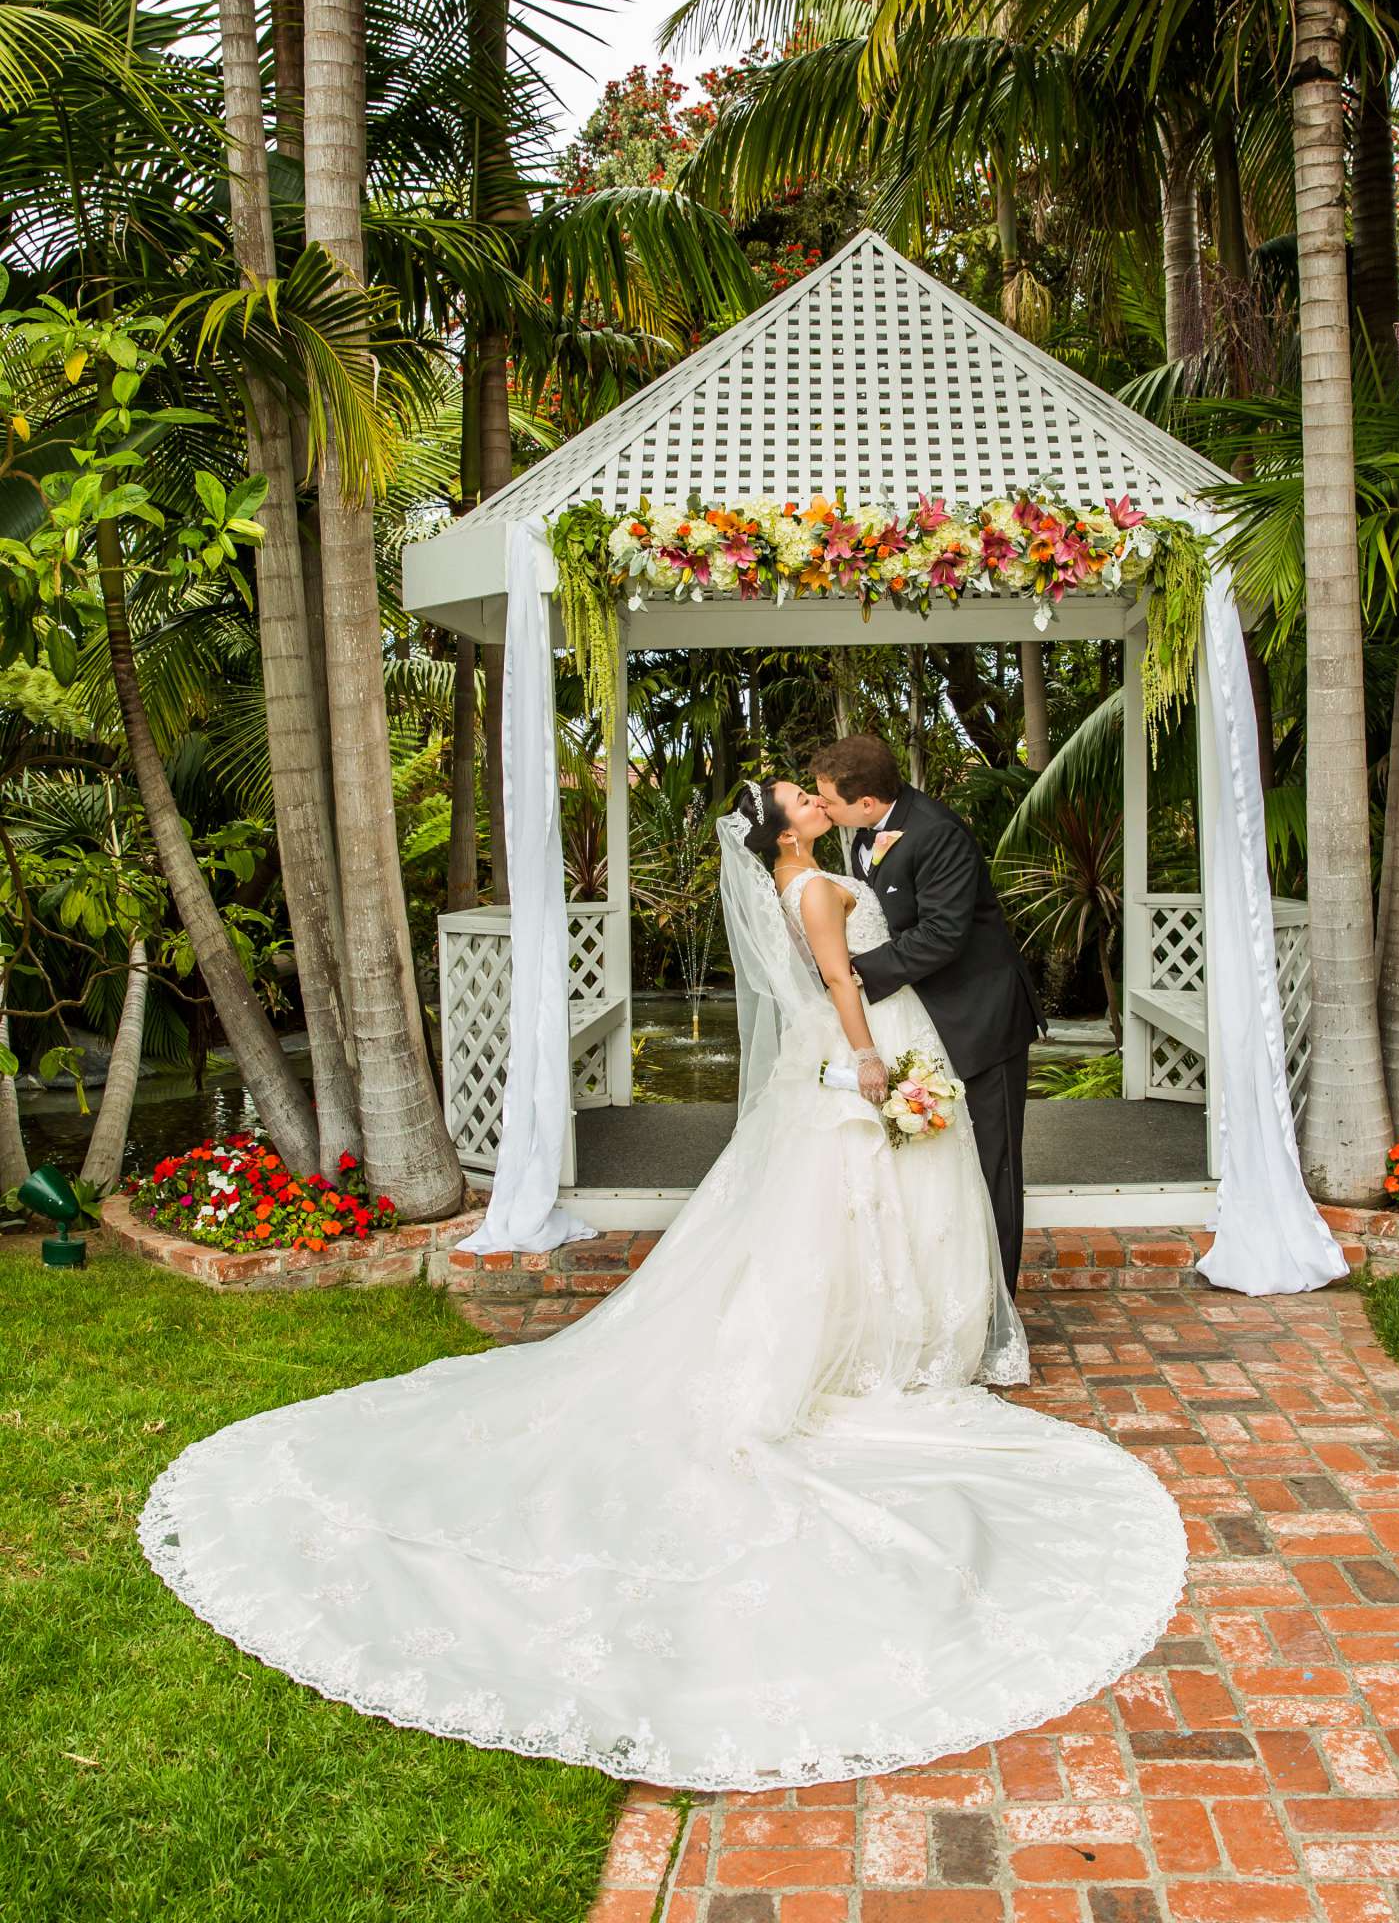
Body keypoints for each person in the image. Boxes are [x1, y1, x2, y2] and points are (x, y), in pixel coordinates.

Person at [140, 780, 1183, 1791]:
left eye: (820, 790)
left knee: (847, 1214)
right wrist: (868, 1064)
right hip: (856, 1051)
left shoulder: (814, 874)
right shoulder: (815, 887)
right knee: (848, 1211)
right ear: (785, 830)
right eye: (802, 796)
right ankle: (860, 1348)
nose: (818, 799)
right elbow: (837, 981)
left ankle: (882, 1336)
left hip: (854, 1049)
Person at [813, 735, 1045, 1293]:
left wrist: (852, 973)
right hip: (922, 1019)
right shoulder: (863, 834)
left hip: (981, 1018)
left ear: (867, 802)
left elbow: (942, 935)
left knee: (994, 1168)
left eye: (829, 801)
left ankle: (997, 1312)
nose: (822, 809)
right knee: (947, 1170)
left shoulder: (938, 832)